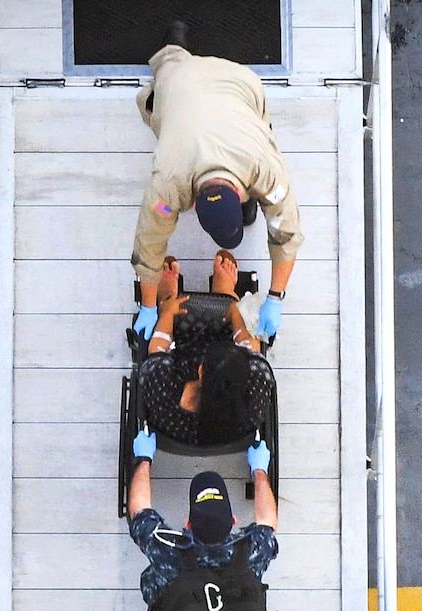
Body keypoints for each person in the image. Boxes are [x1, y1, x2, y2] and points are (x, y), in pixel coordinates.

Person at [130, 22, 304, 342]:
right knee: (168, 85)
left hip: (237, 84)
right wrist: (148, 305)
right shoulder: (168, 182)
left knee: (174, 75)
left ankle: (175, 46)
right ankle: (174, 49)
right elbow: (147, 245)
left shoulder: (265, 169)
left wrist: (276, 298)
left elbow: (288, 234)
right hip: (230, 81)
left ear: (195, 204)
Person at [127, 428, 278, 611]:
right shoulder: (252, 551)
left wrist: (144, 459)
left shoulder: (168, 550)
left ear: (188, 524)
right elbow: (267, 523)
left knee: (156, 577)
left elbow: (139, 512)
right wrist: (259, 469)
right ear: (234, 521)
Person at [141, 252, 274, 445]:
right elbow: (252, 350)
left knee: (168, 314)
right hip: (229, 436)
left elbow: (157, 352)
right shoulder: (254, 399)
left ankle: (168, 297)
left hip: (180, 363)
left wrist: (167, 312)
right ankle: (226, 295)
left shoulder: (164, 397)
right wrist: (236, 312)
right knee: (240, 324)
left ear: (201, 369)